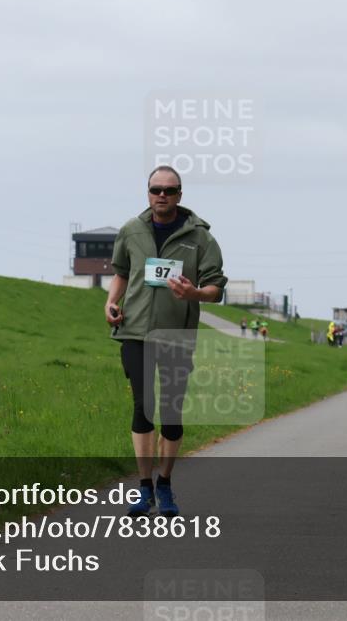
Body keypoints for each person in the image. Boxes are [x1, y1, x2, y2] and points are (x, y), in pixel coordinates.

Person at [105, 165, 228, 517]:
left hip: (176, 335)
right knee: (143, 407)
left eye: (169, 190)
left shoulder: (200, 237)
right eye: (156, 189)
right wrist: (110, 302)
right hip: (136, 332)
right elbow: (122, 274)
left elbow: (216, 288)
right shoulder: (131, 230)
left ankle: (165, 484)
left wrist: (195, 292)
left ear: (180, 195)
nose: (162, 195)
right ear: (147, 192)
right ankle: (144, 489)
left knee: (171, 413)